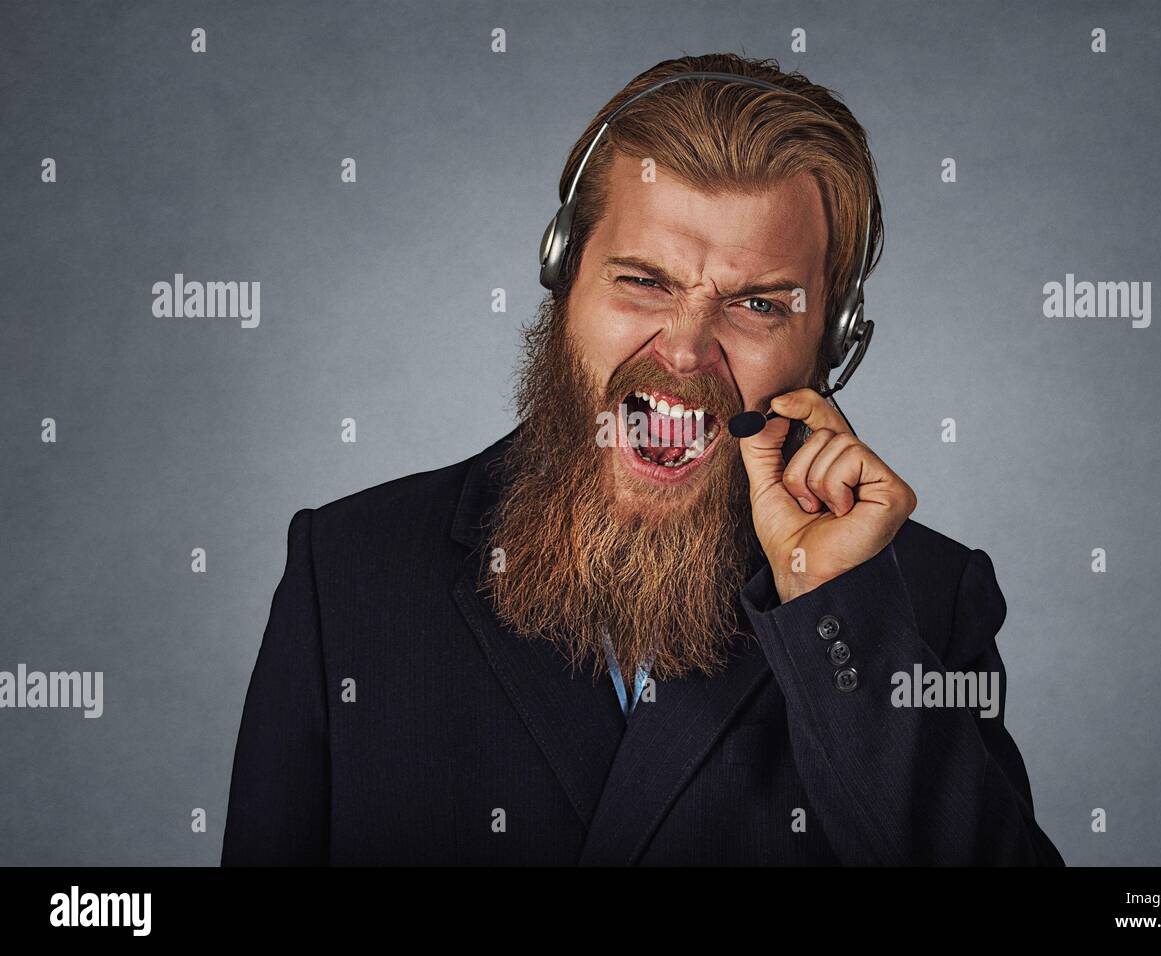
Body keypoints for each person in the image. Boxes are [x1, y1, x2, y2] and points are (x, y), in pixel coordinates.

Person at [221, 53, 1064, 866]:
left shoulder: (917, 599)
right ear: (563, 277)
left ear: (832, 350)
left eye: (758, 303)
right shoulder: (349, 571)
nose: (688, 350)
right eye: (644, 282)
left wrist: (830, 606)